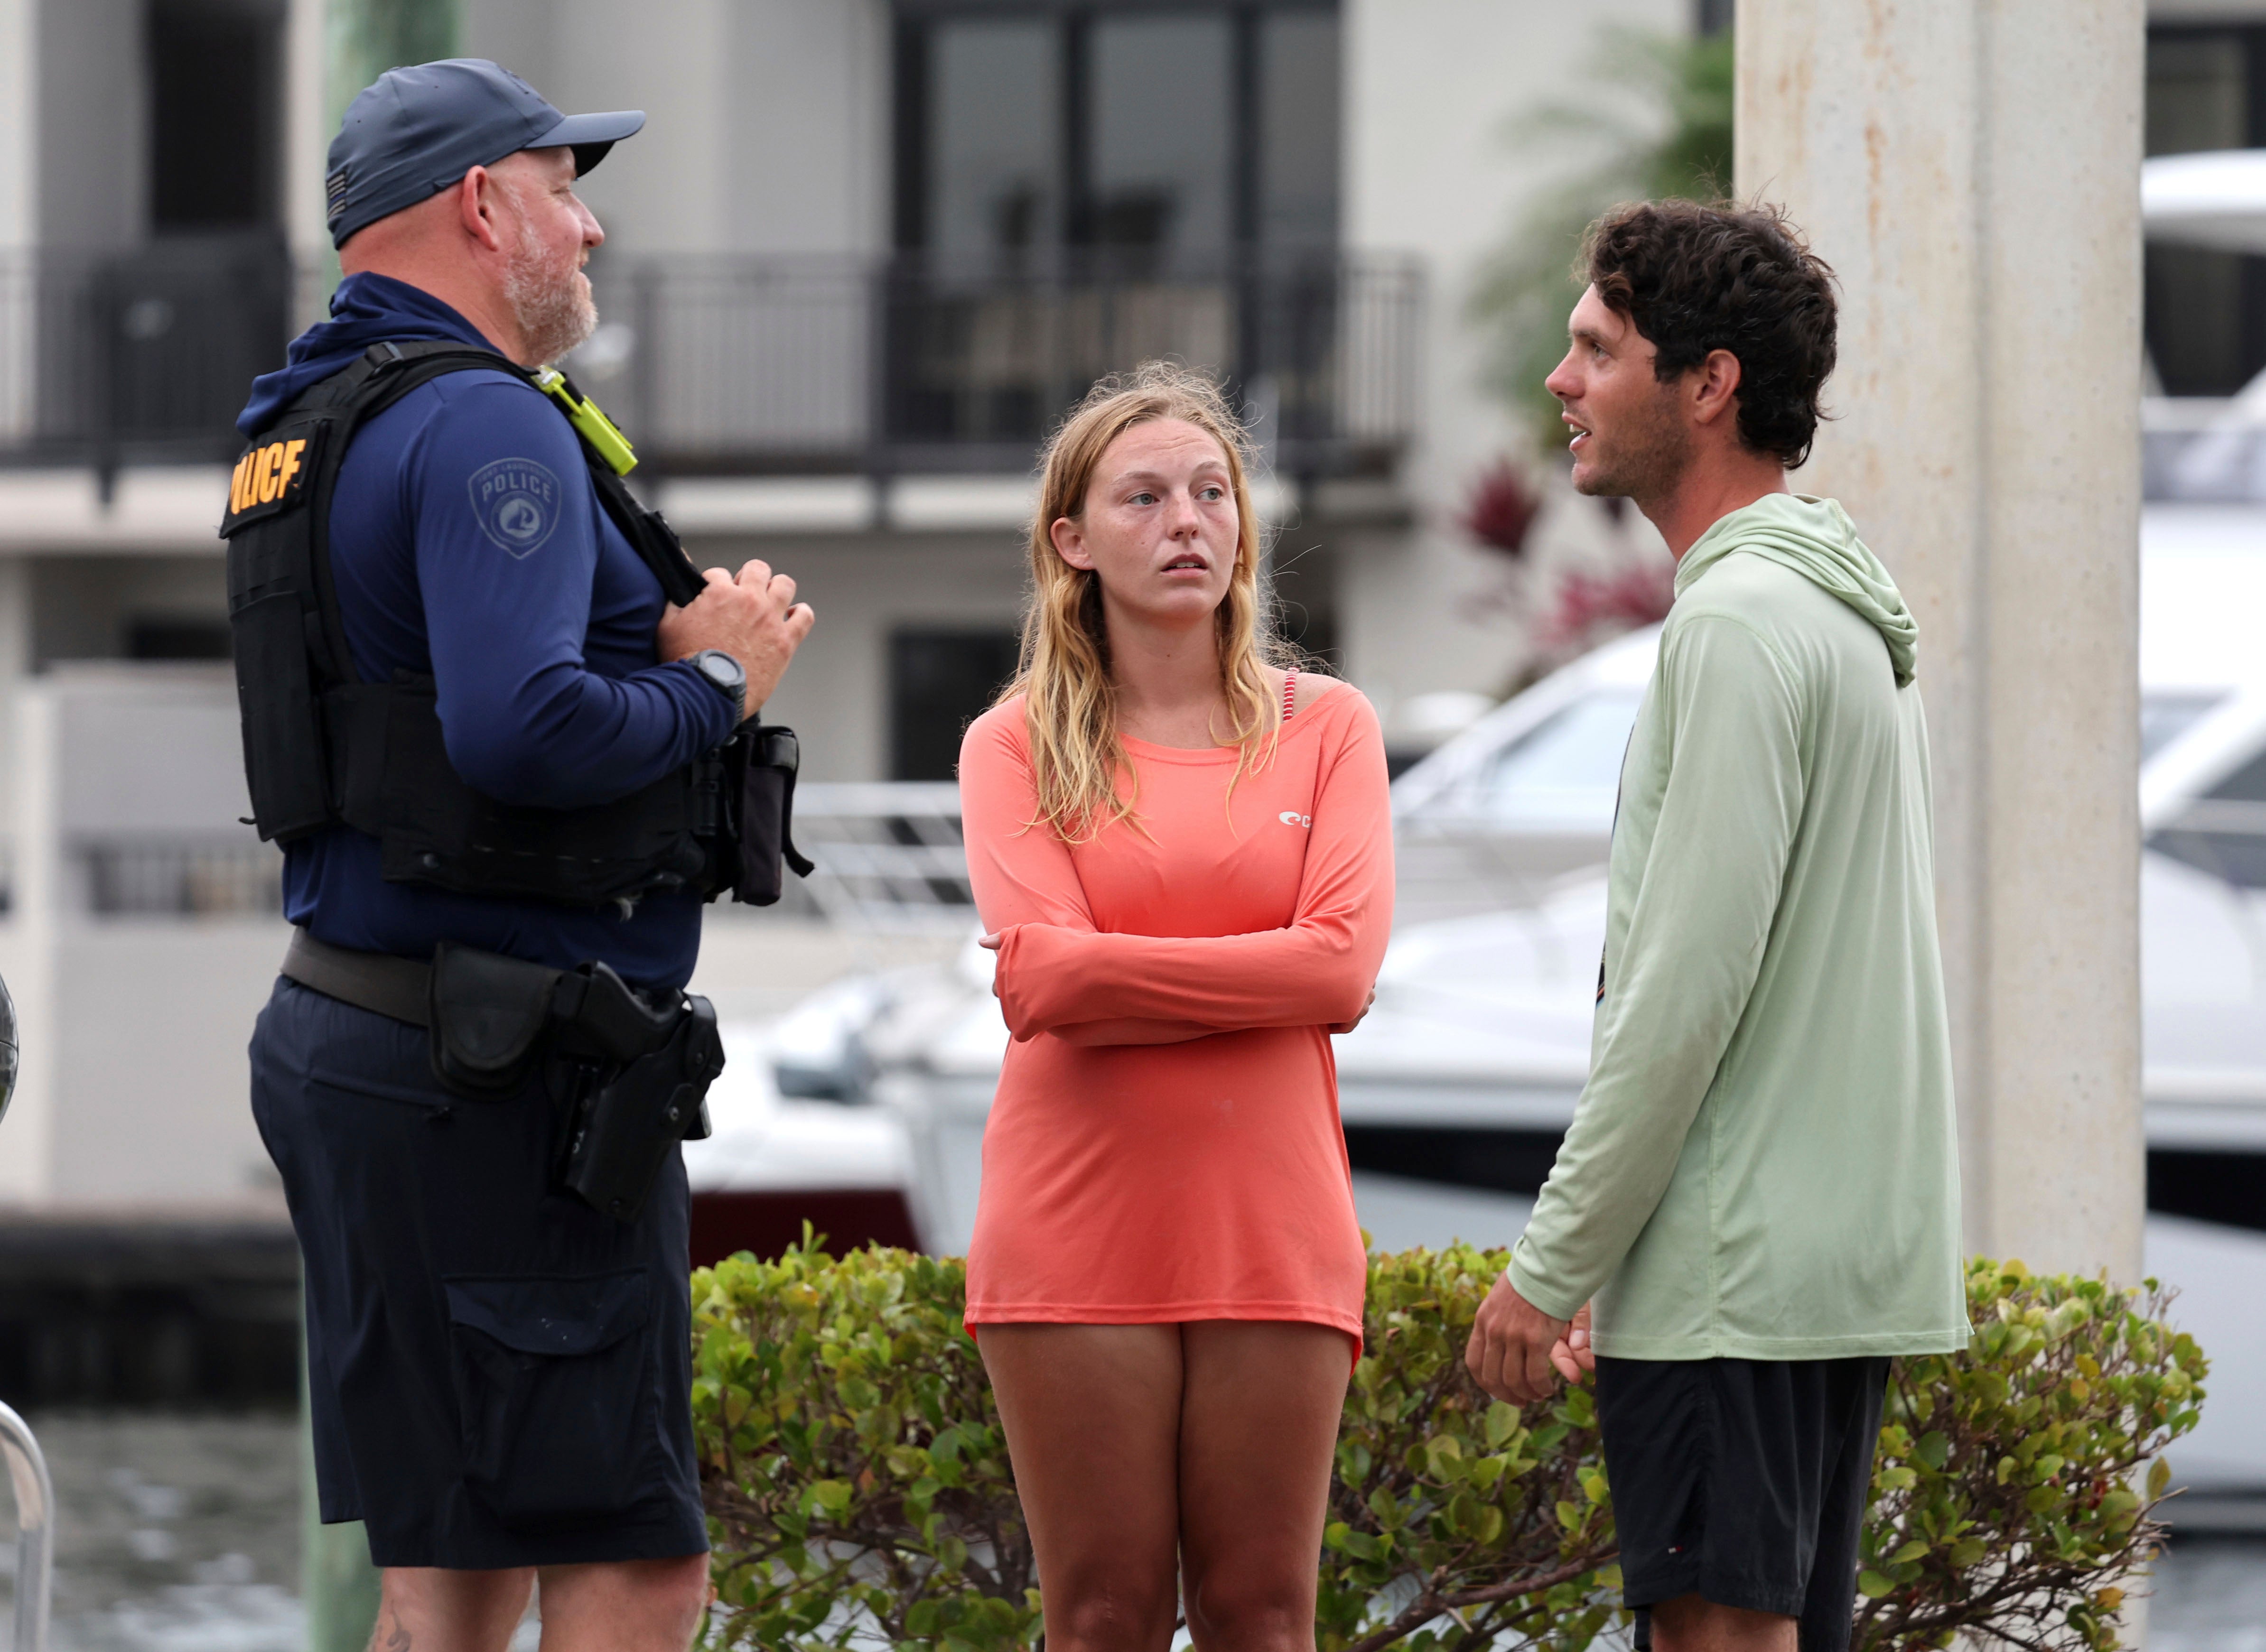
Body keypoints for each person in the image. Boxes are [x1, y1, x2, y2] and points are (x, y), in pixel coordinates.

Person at [235, 61, 812, 1652]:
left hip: (362, 1037)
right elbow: (523, 729)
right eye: (564, 189)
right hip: (496, 1084)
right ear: (482, 206)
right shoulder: (490, 422)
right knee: (635, 1565)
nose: (592, 227)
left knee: (455, 1574)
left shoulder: (304, 424)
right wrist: (720, 679)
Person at [1463, 200, 1968, 1652]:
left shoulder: (1739, 625)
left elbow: (1683, 991)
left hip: (1733, 1281)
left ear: (1709, 383)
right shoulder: (1839, 614)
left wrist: (1556, 1263)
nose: (1562, 380)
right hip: (1819, 1276)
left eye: (1598, 348)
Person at [957, 364, 1392, 1651]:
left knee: (1265, 1617)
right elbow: (1042, 987)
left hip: (1275, 1219)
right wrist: (1267, 969)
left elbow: (1342, 974)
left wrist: (1103, 972)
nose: (1187, 521)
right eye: (1143, 498)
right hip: (1074, 1221)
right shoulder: (1011, 744)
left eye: (1212, 492)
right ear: (1073, 541)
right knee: (1103, 1617)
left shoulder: (1330, 726)